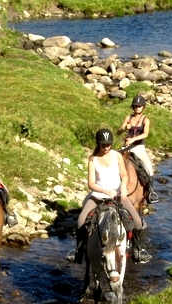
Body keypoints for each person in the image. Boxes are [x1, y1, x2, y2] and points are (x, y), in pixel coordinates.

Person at [67, 128, 152, 264]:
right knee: (81, 220)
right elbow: (91, 183)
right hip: (98, 195)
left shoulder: (117, 155)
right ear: (98, 144)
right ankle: (79, 251)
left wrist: (123, 187)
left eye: (108, 145)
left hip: (118, 194)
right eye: (103, 145)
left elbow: (124, 175)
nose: (106, 148)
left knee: (137, 221)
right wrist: (106, 191)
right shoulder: (92, 159)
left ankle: (137, 251)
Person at [117, 94, 159, 204]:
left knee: (149, 167)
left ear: (143, 107)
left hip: (138, 147)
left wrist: (133, 139)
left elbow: (145, 134)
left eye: (139, 106)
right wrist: (124, 128)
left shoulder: (145, 120)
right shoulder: (128, 118)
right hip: (126, 147)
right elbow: (118, 131)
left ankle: (150, 192)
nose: (137, 108)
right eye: (135, 106)